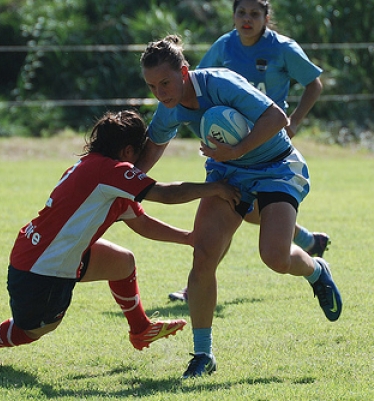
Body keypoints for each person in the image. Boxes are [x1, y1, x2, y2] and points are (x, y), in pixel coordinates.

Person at [0, 110, 241, 364]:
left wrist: (188, 238)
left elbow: (140, 223)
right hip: (42, 268)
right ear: (128, 150)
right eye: (140, 153)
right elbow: (166, 194)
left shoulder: (97, 170)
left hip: (40, 251)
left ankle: (141, 330)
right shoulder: (113, 172)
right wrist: (215, 188)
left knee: (122, 262)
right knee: (35, 329)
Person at [138, 35, 342, 379]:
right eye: (152, 87)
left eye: (165, 82)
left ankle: (316, 270)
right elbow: (149, 154)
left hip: (275, 165)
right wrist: (118, 183)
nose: (161, 93)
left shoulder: (219, 82)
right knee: (203, 255)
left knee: (275, 257)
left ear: (184, 72)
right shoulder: (168, 109)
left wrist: (237, 149)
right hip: (227, 175)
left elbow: (277, 118)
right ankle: (203, 355)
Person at [167, 0, 329, 303]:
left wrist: (293, 121)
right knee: (231, 210)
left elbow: (314, 84)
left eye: (255, 14)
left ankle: (305, 244)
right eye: (241, 12)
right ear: (233, 16)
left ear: (266, 17)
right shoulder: (224, 47)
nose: (247, 19)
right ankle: (305, 238)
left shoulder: (282, 48)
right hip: (228, 151)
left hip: (267, 146)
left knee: (253, 215)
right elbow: (194, 84)